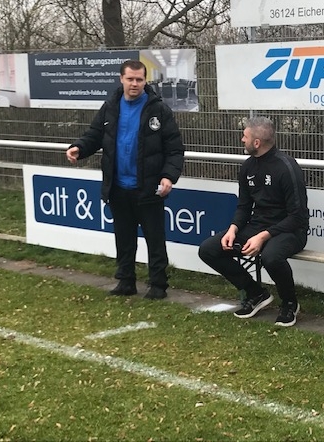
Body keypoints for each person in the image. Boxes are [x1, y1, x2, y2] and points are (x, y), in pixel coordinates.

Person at [66, 60, 184, 300]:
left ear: (145, 81)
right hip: (118, 187)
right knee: (124, 238)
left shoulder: (159, 110)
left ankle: (158, 285)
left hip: (149, 187)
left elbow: (174, 149)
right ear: (121, 79)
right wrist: (79, 147)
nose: (134, 84)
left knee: (155, 239)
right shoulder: (110, 107)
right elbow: (95, 135)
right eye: (130, 79)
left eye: (139, 79)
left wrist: (168, 176)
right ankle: (126, 281)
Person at [198, 116, 309, 327]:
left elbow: (298, 216)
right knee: (208, 249)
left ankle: (290, 303)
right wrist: (233, 229)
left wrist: (263, 237)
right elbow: (244, 206)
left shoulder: (286, 167)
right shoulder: (247, 167)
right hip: (258, 227)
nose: (242, 139)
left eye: (245, 136)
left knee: (271, 257)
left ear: (256, 143)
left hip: (290, 230)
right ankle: (255, 293)